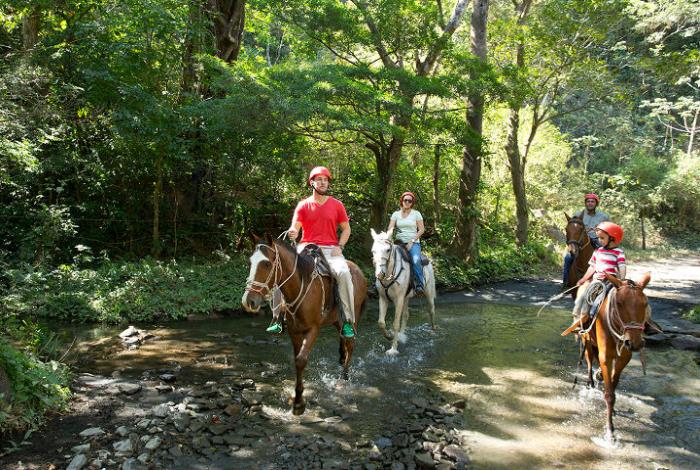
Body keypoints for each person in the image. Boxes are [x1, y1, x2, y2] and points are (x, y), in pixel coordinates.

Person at [266, 166, 356, 338]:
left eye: (326, 180)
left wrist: (341, 245)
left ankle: (348, 321)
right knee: (282, 271)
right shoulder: (303, 205)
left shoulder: (337, 205)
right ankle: (276, 319)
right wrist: (293, 232)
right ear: (312, 182)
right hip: (306, 247)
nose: (323, 183)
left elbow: (346, 229)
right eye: (319, 179)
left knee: (344, 273)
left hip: (331, 249)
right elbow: (295, 227)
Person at [568, 221, 626, 329]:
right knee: (582, 298)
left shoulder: (618, 252)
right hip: (597, 281)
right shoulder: (598, 251)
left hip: (611, 281)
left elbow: (622, 266)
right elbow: (592, 267)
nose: (599, 240)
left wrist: (621, 280)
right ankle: (579, 319)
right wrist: (584, 279)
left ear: (613, 238)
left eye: (602, 238)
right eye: (598, 238)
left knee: (629, 299)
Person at [562, 193, 610, 289]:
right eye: (588, 201)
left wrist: (598, 230)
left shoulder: (603, 217)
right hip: (580, 241)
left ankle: (607, 281)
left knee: (605, 257)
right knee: (568, 258)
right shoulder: (577, 214)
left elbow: (608, 230)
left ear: (596, 204)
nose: (590, 203)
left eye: (592, 201)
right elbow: (572, 227)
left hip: (596, 240)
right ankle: (566, 282)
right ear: (585, 203)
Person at [386, 191, 426, 295]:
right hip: (398, 242)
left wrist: (412, 241)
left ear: (412, 203)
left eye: (410, 201)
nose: (407, 202)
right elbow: (390, 227)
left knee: (416, 260)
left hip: (413, 242)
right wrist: (387, 238)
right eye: (405, 200)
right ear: (402, 201)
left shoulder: (416, 214)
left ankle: (419, 285)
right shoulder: (396, 214)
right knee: (384, 256)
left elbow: (421, 230)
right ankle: (377, 284)